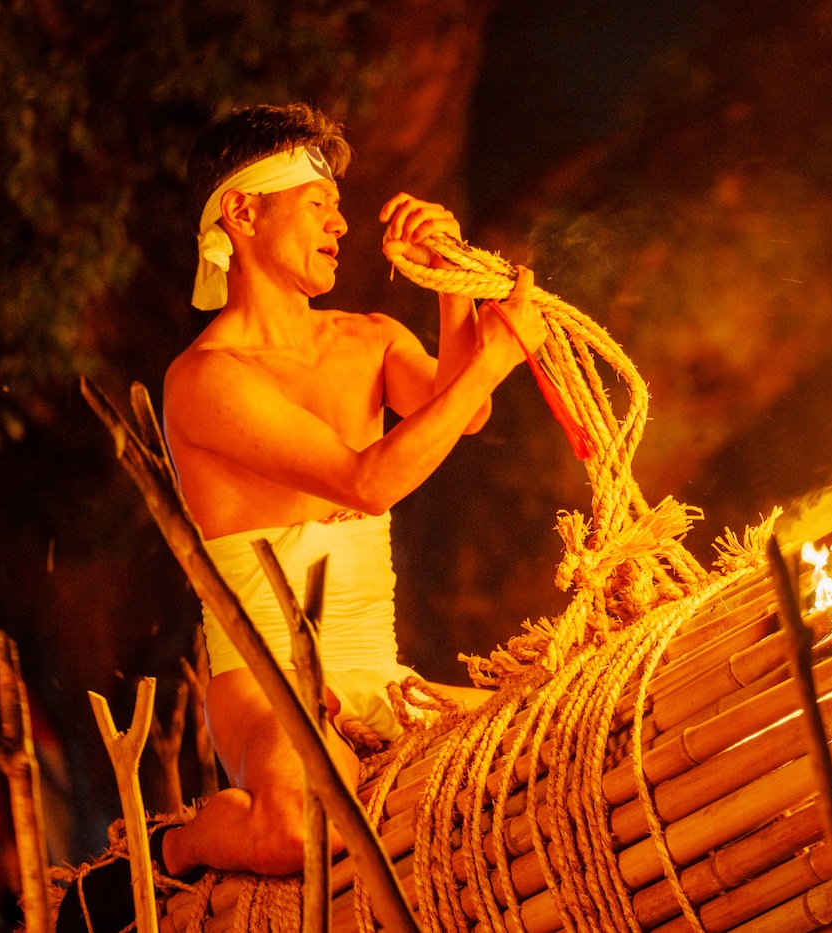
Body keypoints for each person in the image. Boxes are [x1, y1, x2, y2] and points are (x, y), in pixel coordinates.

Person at [160, 103, 546, 878]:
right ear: (241, 211)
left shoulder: (367, 337)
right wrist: (495, 359)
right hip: (269, 687)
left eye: (339, 206)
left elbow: (462, 413)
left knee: (556, 735)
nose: (339, 224)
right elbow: (367, 483)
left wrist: (447, 278)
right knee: (302, 831)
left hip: (383, 676)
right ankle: (185, 841)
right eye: (317, 205)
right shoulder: (205, 379)